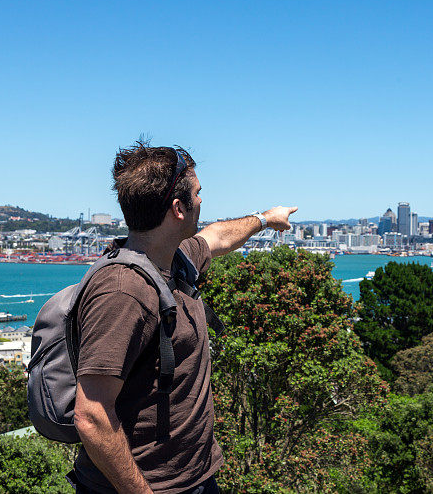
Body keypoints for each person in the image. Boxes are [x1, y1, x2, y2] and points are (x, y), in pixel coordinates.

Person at [69, 142, 297, 494]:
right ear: (178, 208)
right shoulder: (122, 291)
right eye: (198, 192)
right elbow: (91, 415)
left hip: (196, 478)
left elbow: (217, 235)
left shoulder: (174, 259)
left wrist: (266, 219)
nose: (203, 200)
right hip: (149, 486)